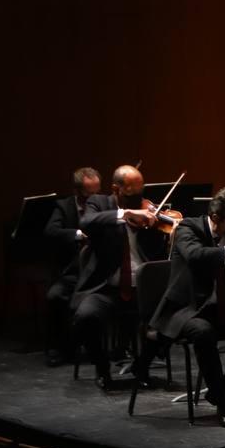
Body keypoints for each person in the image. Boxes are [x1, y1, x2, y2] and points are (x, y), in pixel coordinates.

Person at [148, 188, 225, 429]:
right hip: (188, 309)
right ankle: (224, 405)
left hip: (224, 309)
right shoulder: (189, 228)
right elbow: (196, 256)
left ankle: (220, 390)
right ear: (216, 218)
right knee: (203, 333)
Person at [71, 165, 169, 389]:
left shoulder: (147, 208)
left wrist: (153, 227)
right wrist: (124, 214)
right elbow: (86, 222)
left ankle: (142, 365)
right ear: (116, 189)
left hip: (141, 289)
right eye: (131, 192)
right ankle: (102, 368)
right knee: (86, 317)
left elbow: (155, 251)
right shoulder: (99, 203)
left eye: (141, 190)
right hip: (107, 288)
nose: (138, 198)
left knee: (174, 315)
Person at [44, 166, 100, 366]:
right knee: (55, 296)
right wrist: (77, 234)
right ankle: (58, 348)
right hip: (72, 271)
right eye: (88, 195)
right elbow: (51, 231)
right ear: (77, 191)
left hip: (97, 271)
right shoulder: (63, 206)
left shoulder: (103, 205)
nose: (94, 200)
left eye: (97, 193)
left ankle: (99, 348)